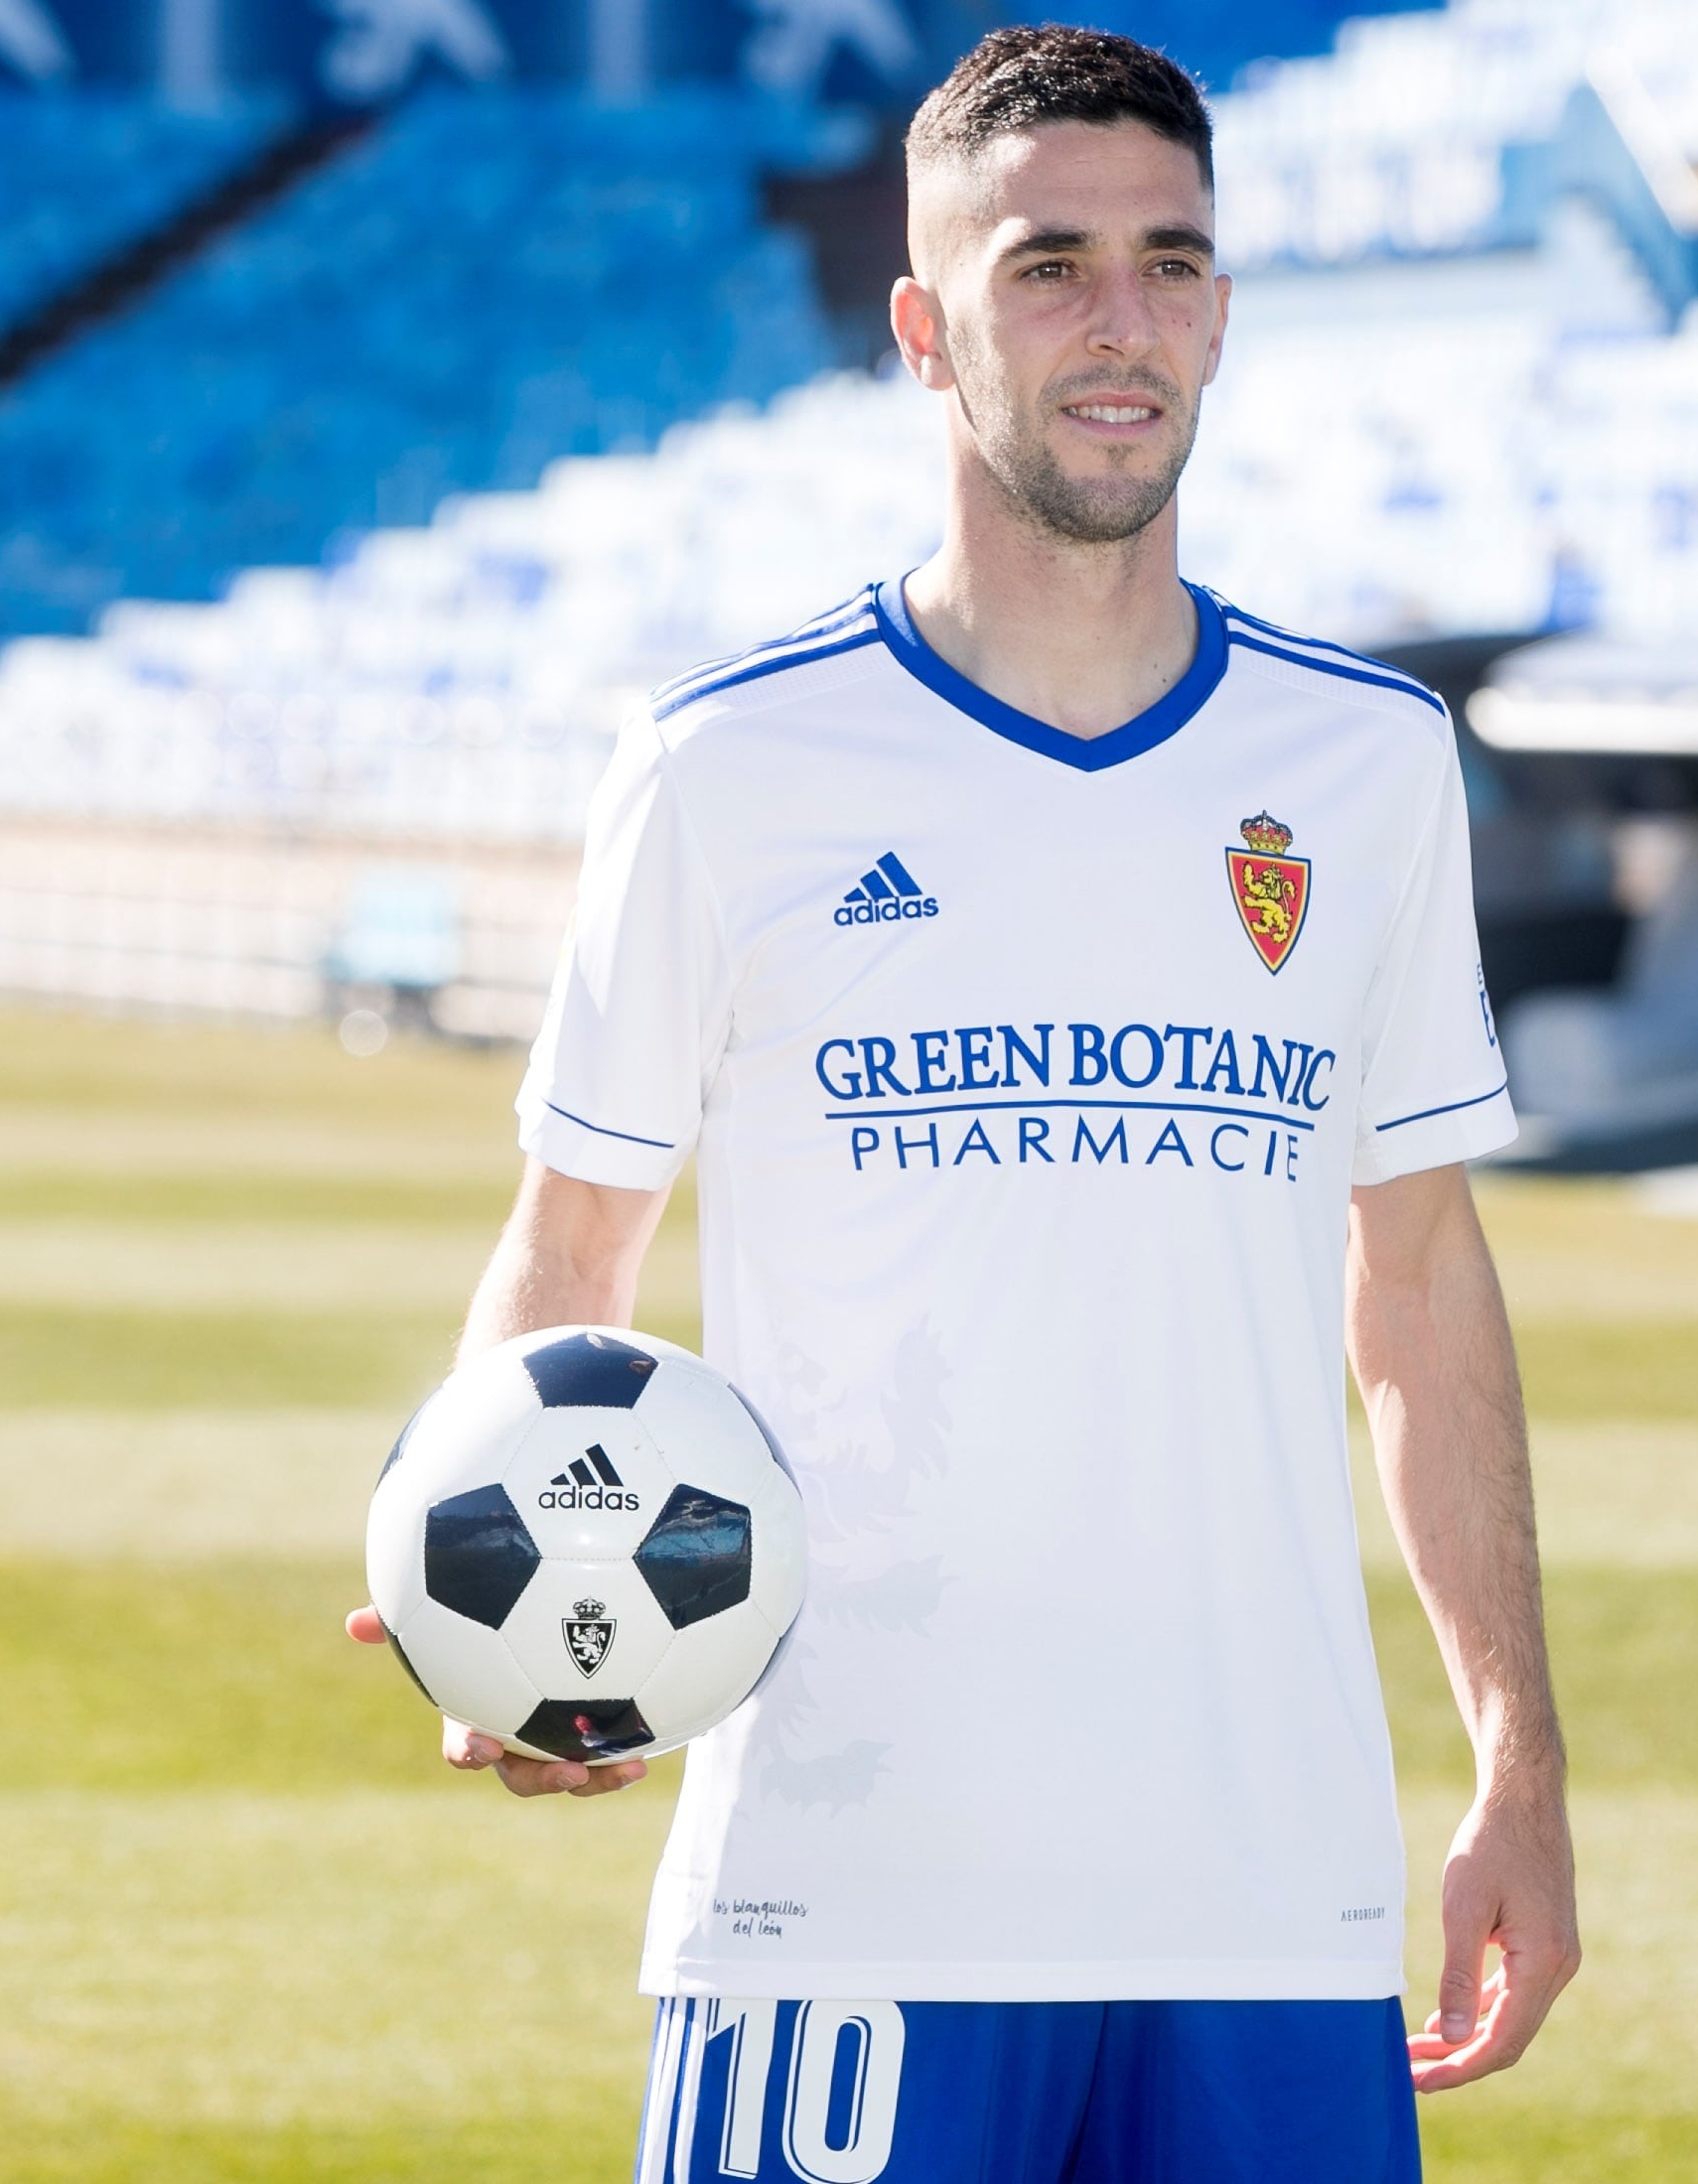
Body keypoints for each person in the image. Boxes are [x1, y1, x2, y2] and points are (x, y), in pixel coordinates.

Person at [348, 25, 1575, 2179]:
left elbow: (1418, 1280)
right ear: (921, 328)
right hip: (843, 1908)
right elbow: (569, 1252)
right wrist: (511, 1616)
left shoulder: (1365, 766)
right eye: (1046, 266)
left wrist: (1516, 1760)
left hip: (1272, 1915)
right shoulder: (726, 768)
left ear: (1221, 309)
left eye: (1170, 263)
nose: (1121, 322)